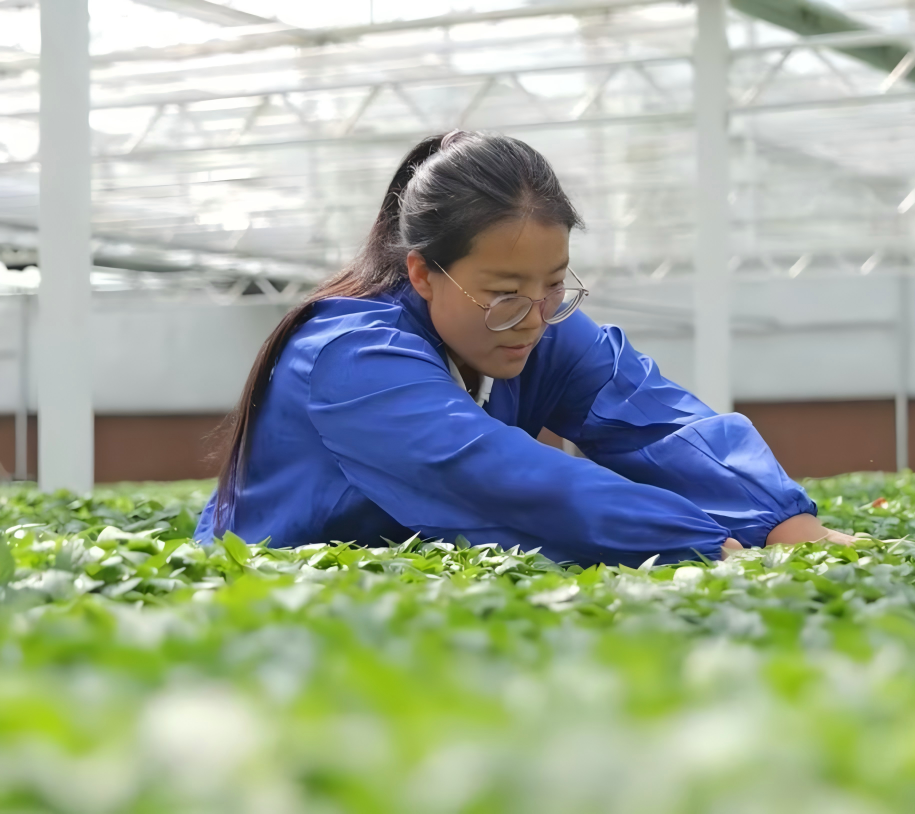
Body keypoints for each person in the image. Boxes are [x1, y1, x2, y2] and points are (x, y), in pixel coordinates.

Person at [194, 130, 854, 567]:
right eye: (504, 292)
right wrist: (708, 544)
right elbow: (497, 477)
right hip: (270, 587)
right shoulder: (350, 358)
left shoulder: (539, 325)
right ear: (423, 273)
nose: (535, 320)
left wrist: (784, 524)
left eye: (555, 284)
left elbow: (660, 421)